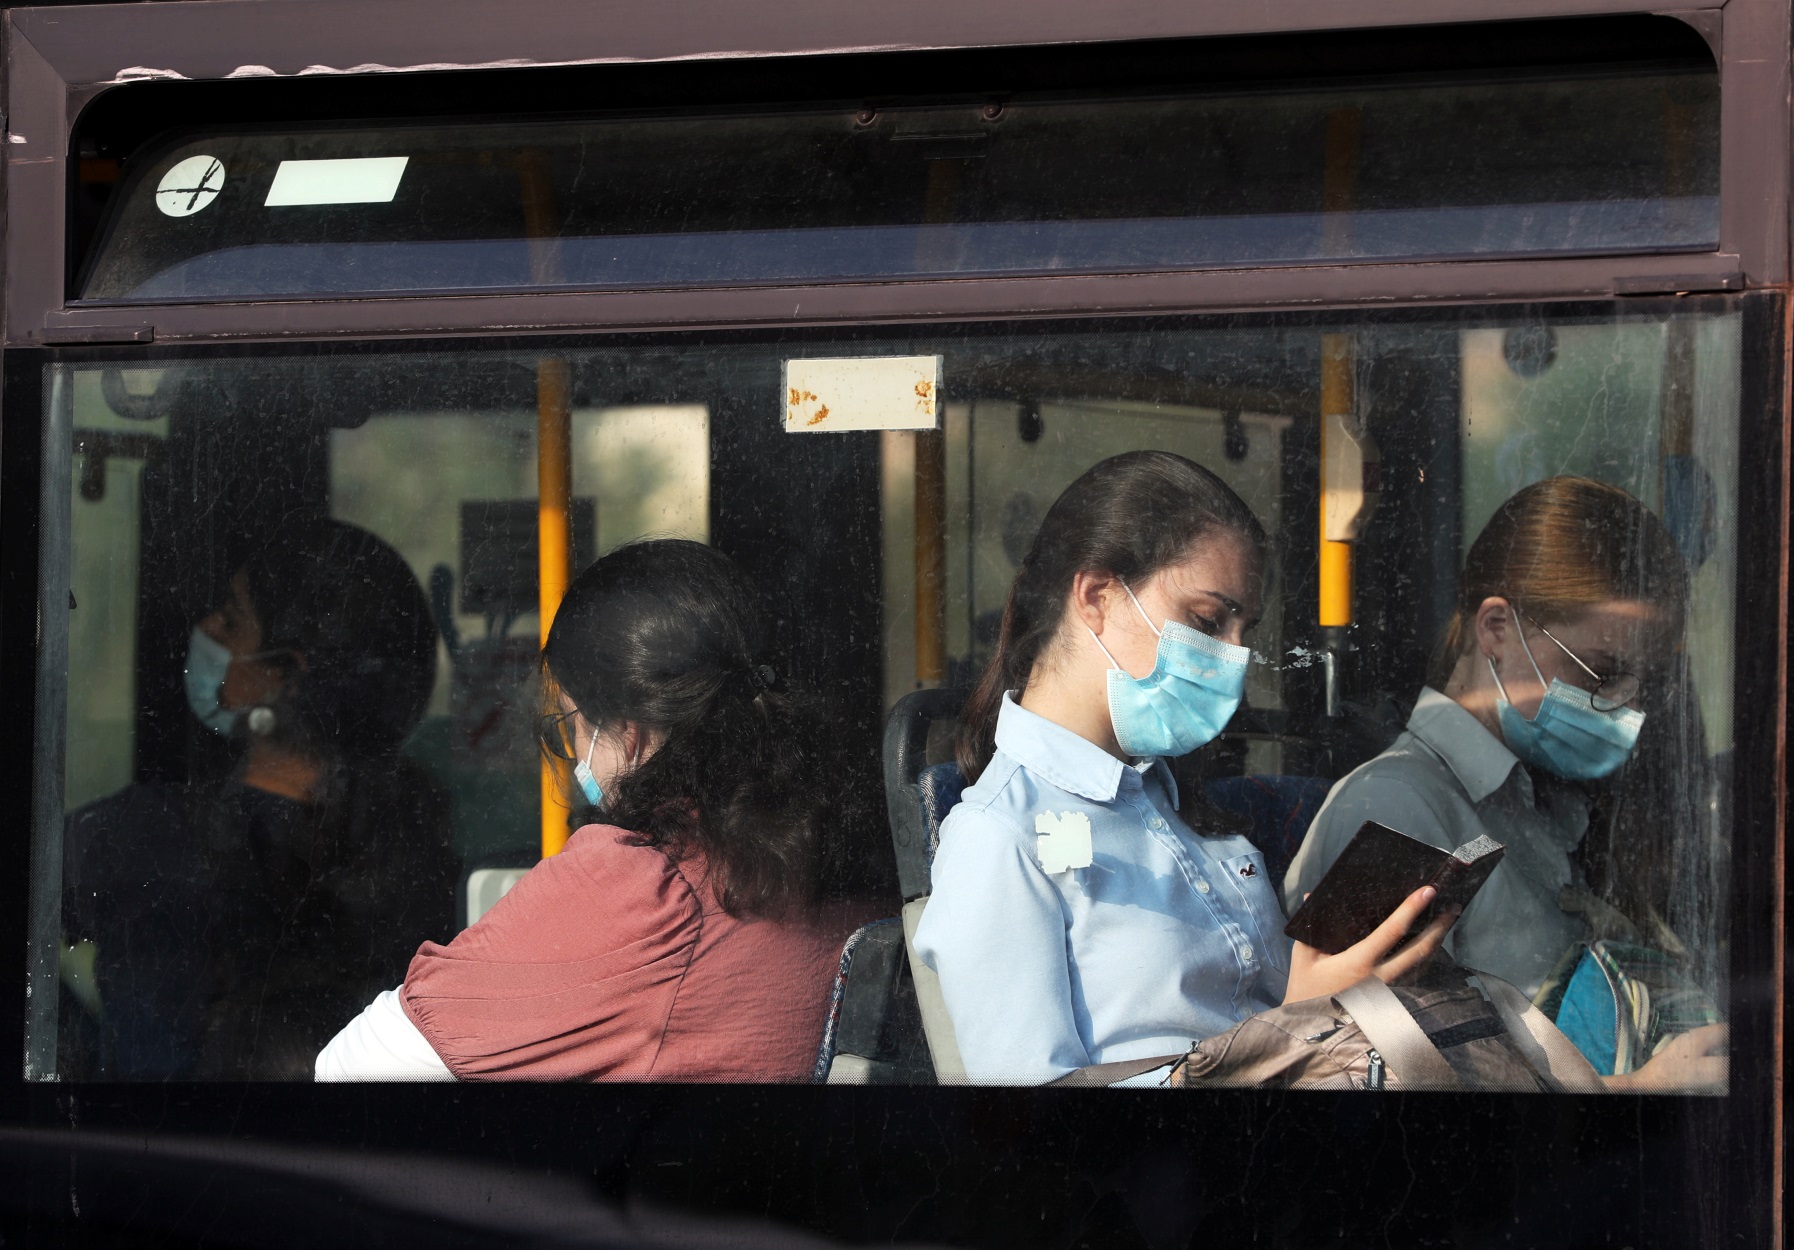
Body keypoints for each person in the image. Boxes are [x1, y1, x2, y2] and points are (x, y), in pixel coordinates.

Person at [912, 451, 1453, 1085]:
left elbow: (1254, 1016)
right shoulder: (997, 837)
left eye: (1244, 630)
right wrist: (1303, 1022)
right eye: (1206, 621)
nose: (1235, 658)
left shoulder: (1180, 809)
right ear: (1097, 597)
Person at [316, 539, 886, 1082]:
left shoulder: (648, 889)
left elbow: (351, 1067)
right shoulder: (853, 847)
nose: (572, 758)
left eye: (571, 728)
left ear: (629, 734)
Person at [1282, 476, 1726, 1090]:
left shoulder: (1541, 804)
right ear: (1495, 628)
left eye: (1641, 683)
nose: (1624, 706)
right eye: (1604, 673)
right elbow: (1353, 1078)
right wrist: (1637, 1092)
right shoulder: (1394, 807)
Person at [62, 518, 459, 1080]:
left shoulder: (141, 833)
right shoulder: (417, 835)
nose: (205, 628)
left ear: (286, 676)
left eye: (230, 620)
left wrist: (81, 1050)